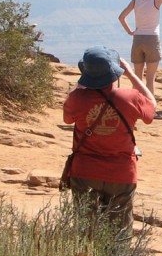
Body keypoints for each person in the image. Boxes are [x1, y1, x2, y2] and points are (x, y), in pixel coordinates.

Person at [62, 45, 156, 234]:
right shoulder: (129, 97)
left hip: (84, 172)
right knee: (118, 235)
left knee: (85, 232)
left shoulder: (77, 98)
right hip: (121, 173)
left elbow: (67, 118)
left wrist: (82, 83)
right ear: (116, 72)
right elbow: (151, 108)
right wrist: (130, 73)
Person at [118, 0, 162, 118]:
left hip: (137, 39)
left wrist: (130, 31)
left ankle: (135, 109)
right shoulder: (156, 1)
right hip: (152, 40)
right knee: (150, 78)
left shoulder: (137, 0)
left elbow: (121, 17)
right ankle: (150, 111)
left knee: (137, 78)